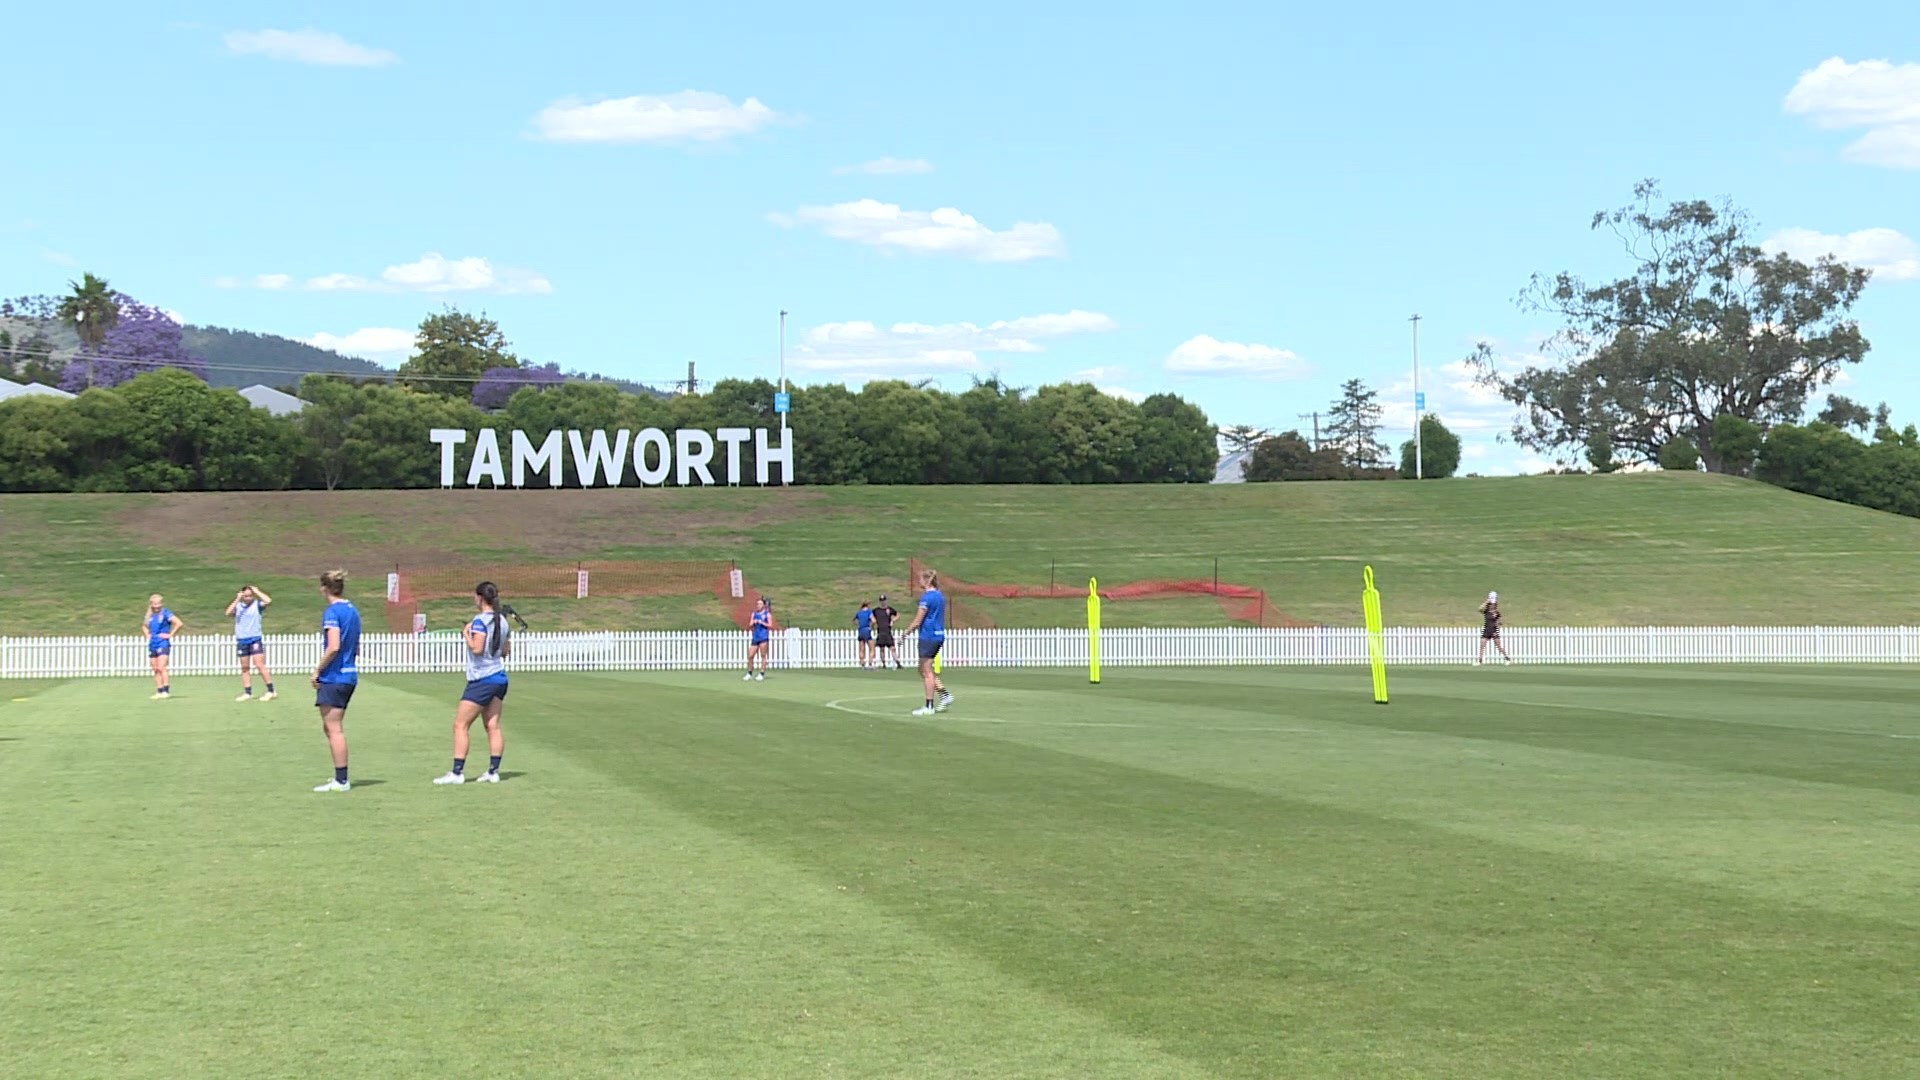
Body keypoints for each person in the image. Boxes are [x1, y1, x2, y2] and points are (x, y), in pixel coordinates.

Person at [435, 582, 510, 785]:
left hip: (482, 678)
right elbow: (505, 651)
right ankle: (493, 771)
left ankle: (457, 772)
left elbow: (477, 649)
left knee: (460, 725)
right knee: (493, 725)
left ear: (479, 598)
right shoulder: (502, 621)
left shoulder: (479, 621)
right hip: (499, 676)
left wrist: (466, 636)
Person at [310, 570, 362, 793]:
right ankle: (339, 777)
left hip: (335, 676)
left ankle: (341, 780)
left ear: (324, 588)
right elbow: (355, 646)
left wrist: (317, 670)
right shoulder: (353, 611)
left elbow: (333, 646)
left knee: (334, 729)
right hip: (349, 674)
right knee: (331, 728)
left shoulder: (333, 612)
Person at [898, 572, 954, 716]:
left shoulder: (927, 598)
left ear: (927, 581)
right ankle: (944, 694)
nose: (919, 582)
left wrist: (905, 633)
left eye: (921, 580)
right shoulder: (940, 596)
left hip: (928, 636)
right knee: (922, 669)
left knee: (926, 671)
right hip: (938, 635)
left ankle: (929, 705)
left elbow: (918, 620)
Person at [226, 585, 276, 702]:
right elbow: (228, 612)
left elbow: (268, 601)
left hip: (254, 638)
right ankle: (247, 692)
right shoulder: (238, 606)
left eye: (250, 596)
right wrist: (237, 598)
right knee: (245, 667)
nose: (248, 598)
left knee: (259, 665)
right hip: (242, 639)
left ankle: (271, 690)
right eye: (246, 596)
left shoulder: (257, 605)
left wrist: (257, 591)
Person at [143, 594, 182, 700]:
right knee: (155, 669)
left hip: (162, 643)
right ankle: (159, 690)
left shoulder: (165, 613)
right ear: (151, 604)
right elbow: (144, 626)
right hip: (153, 643)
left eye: (159, 603)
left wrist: (170, 634)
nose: (157, 606)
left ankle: (166, 690)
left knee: (161, 667)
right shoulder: (149, 615)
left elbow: (178, 623)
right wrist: (147, 634)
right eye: (155, 604)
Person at [1476, 590, 1512, 665]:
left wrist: (1498, 622)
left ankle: (1507, 658)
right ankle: (1479, 660)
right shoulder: (1486, 611)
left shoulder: (1497, 612)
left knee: (1498, 646)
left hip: (1494, 630)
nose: (1492, 605)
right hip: (1486, 629)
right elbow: (1479, 609)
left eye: (1493, 604)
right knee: (1482, 645)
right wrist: (1487, 601)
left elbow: (1499, 621)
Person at [744, 597, 773, 681]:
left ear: (763, 605)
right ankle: (749, 673)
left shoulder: (767, 614)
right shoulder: (754, 614)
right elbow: (750, 624)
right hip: (755, 636)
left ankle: (761, 673)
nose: (758, 606)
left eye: (760, 604)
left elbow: (770, 625)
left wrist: (762, 622)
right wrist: (753, 622)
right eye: (757, 604)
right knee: (750, 655)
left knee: (763, 655)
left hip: (763, 636)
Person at [871, 595, 901, 670]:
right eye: (881, 601)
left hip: (887, 631)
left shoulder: (889, 609)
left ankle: (898, 662)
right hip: (880, 631)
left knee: (892, 648)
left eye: (884, 600)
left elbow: (897, 615)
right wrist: (872, 624)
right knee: (882, 649)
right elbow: (871, 617)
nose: (883, 602)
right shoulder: (876, 610)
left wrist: (893, 620)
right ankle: (883, 663)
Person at [854, 601, 875, 669]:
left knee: (861, 649)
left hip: (860, 630)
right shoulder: (869, 612)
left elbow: (854, 620)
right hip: (866, 630)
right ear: (868, 605)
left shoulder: (859, 613)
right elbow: (874, 621)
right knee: (872, 648)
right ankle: (870, 663)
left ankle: (862, 663)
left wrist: (858, 625)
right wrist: (871, 627)